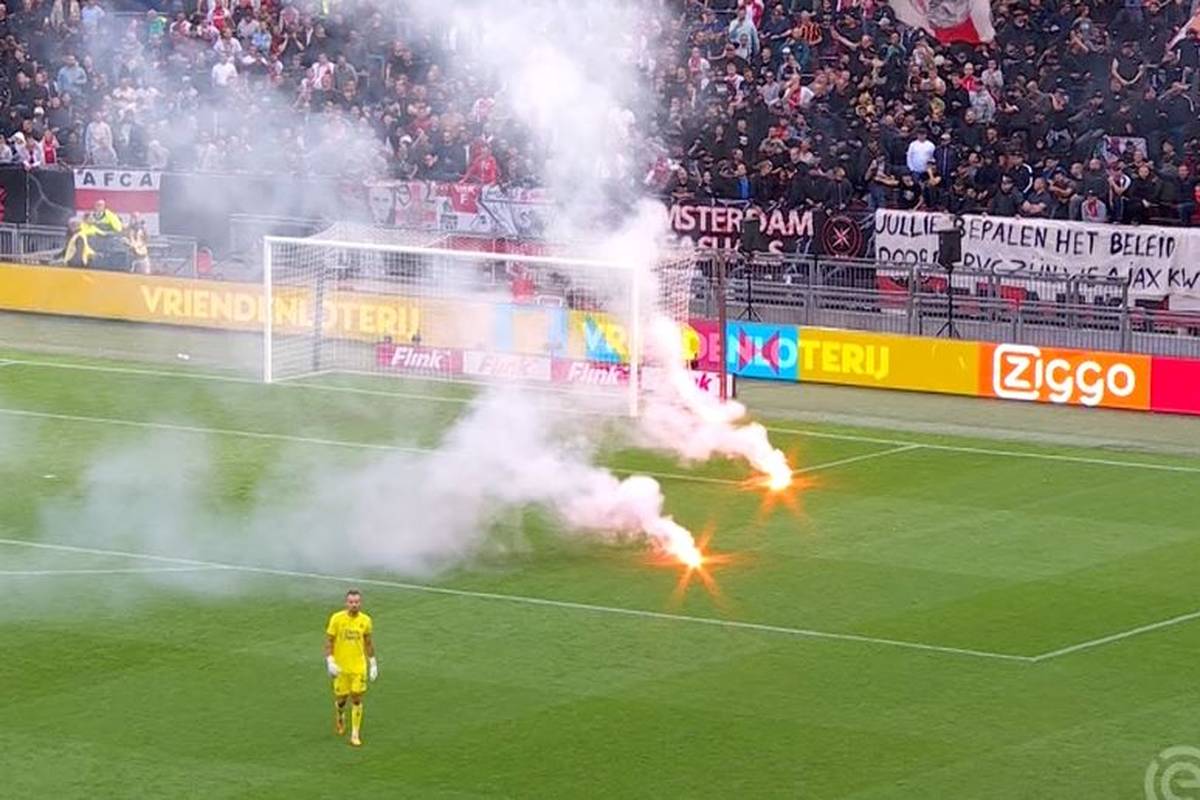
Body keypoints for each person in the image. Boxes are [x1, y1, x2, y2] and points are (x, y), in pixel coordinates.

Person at [324, 589, 378, 747]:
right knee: (341, 700)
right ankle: (340, 715)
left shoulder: (366, 620)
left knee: (357, 697)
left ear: (360, 603)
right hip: (341, 668)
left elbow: (368, 642)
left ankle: (355, 734)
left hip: (358, 667)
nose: (354, 605)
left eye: (356, 602)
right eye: (351, 602)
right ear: (346, 603)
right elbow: (329, 641)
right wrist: (330, 661)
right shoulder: (337, 619)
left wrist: (373, 663)